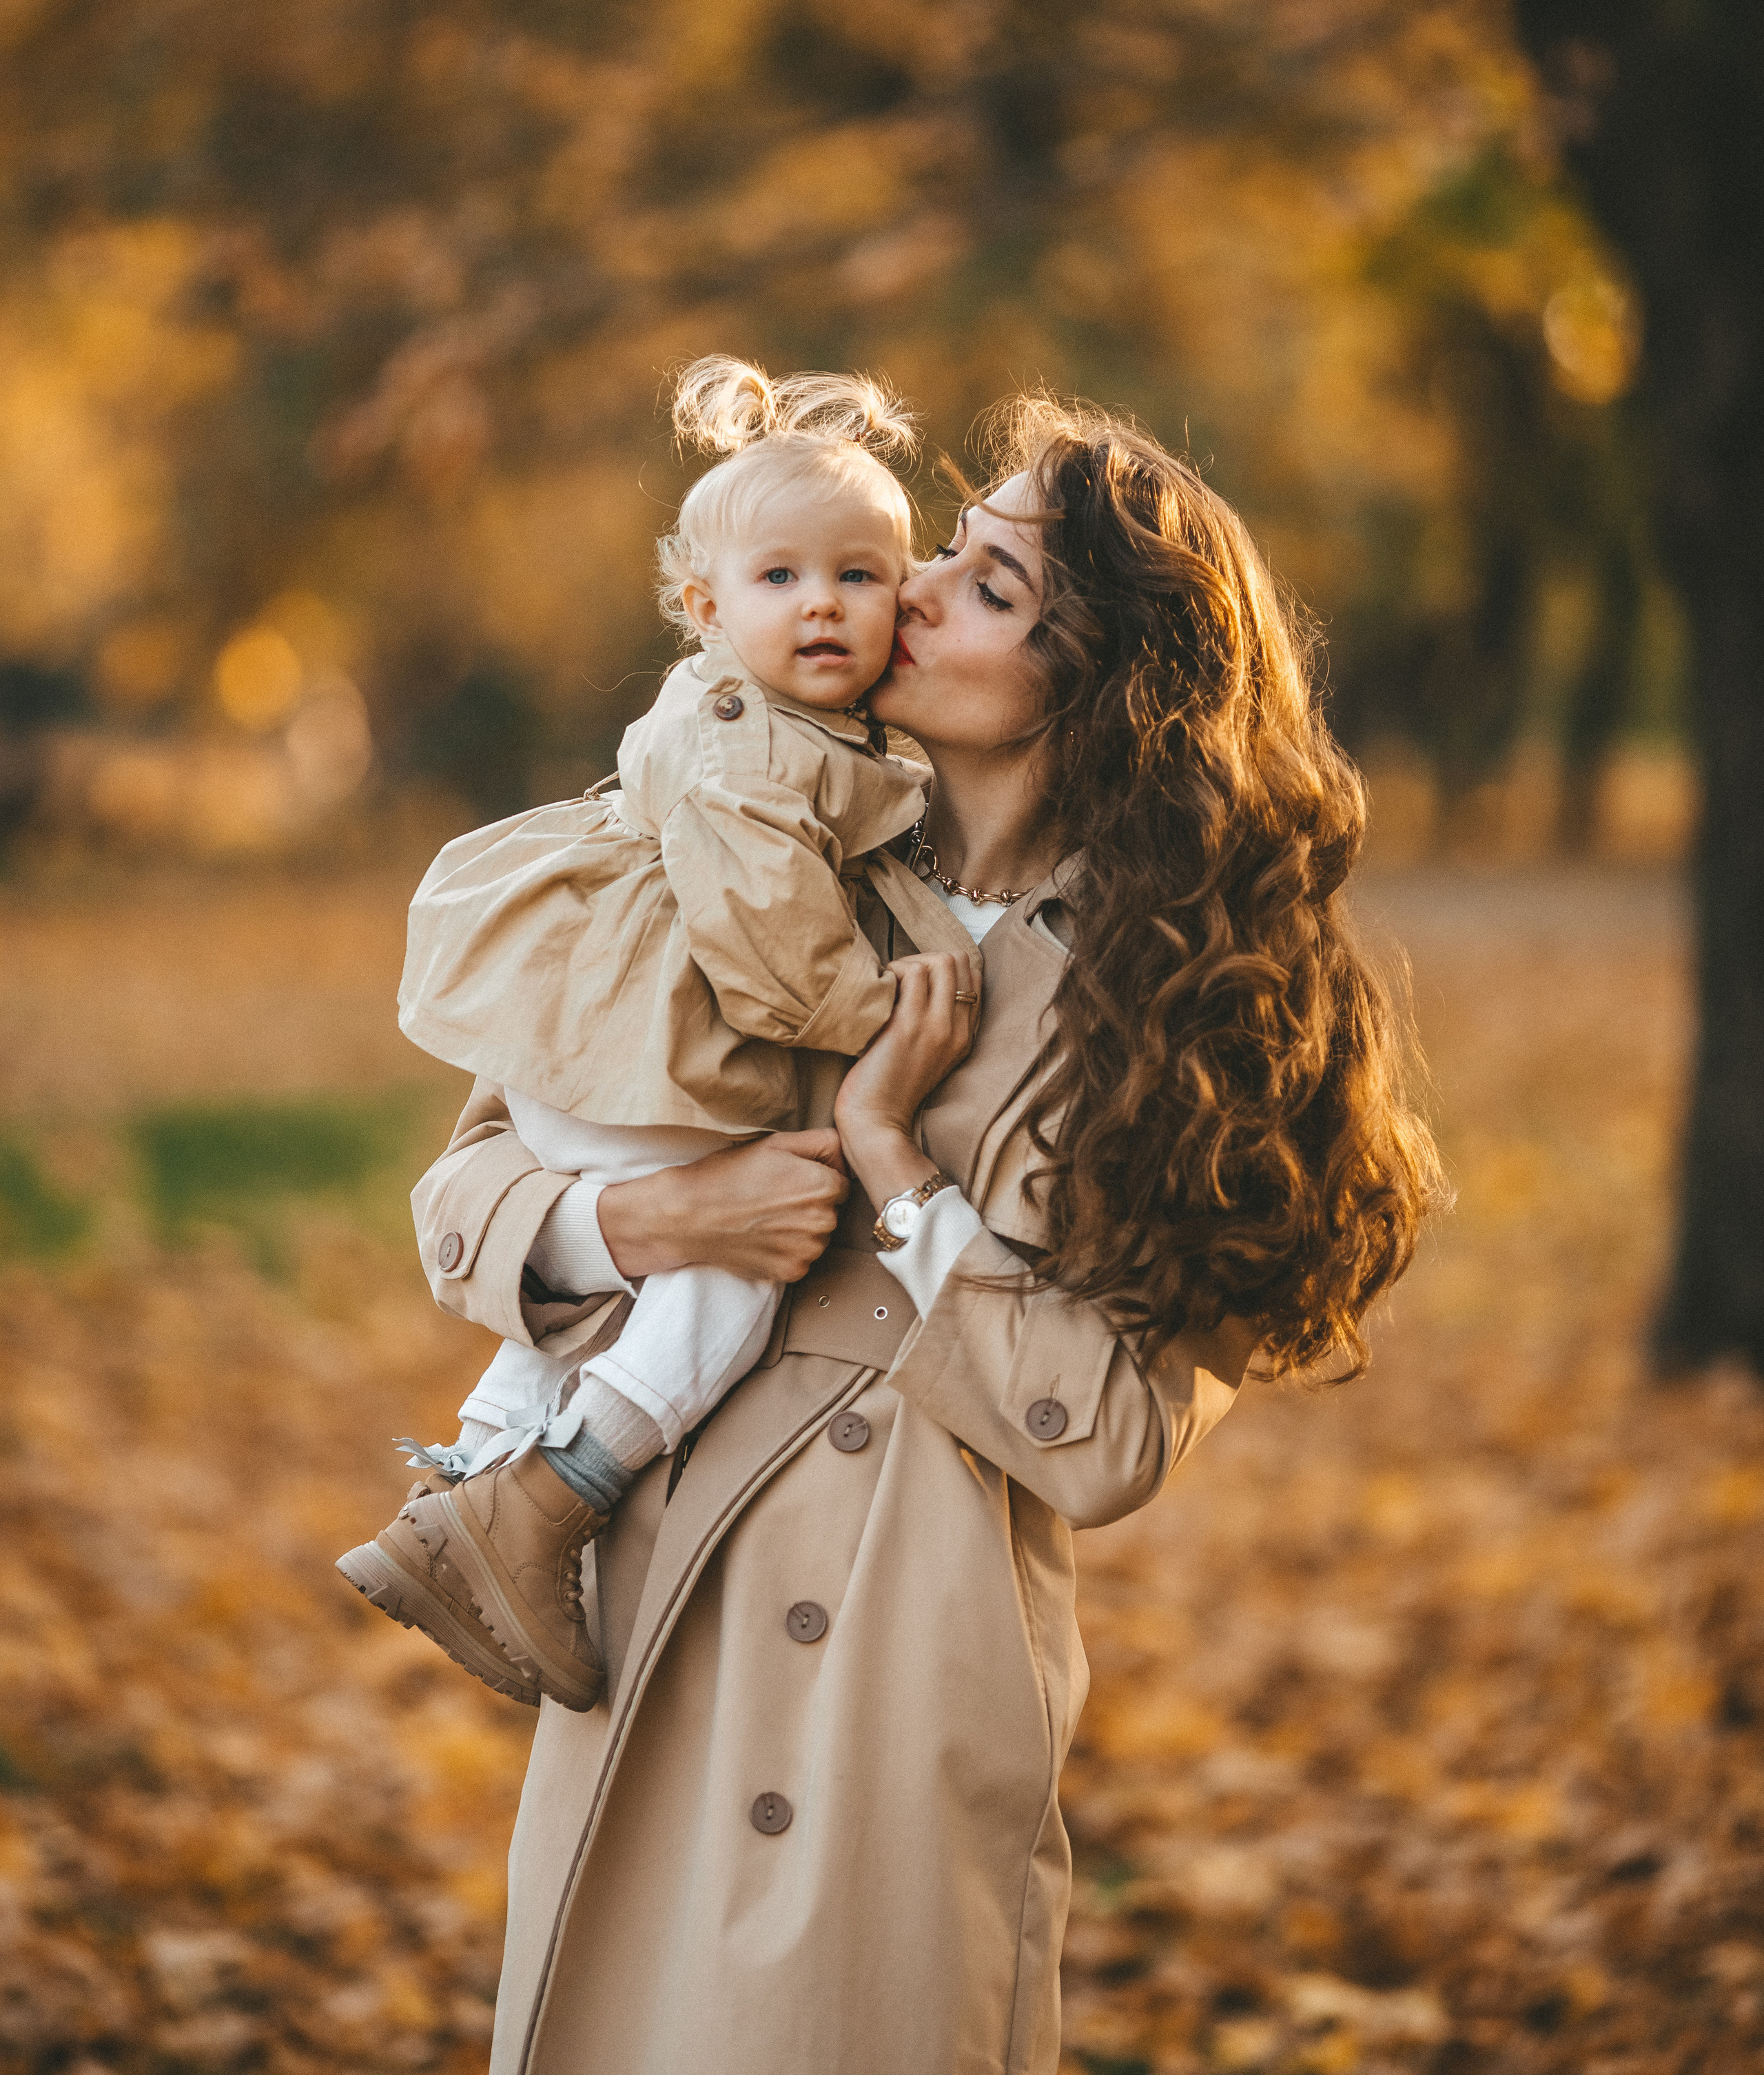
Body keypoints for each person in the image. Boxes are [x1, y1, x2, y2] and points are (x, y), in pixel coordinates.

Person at [402, 395, 1445, 2075]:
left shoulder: (1185, 1010)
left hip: (894, 1664)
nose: (913, 588)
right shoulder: (737, 829)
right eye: (944, 547)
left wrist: (893, 1167)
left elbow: (1107, 1441)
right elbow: (463, 1196)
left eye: (987, 583)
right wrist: (652, 1219)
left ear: (1099, 679)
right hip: (656, 1601)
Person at [337, 358, 955, 1714]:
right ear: (706, 609)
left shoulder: (780, 726)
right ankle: (553, 1500)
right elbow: (780, 958)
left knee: (659, 1278)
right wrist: (891, 1026)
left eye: (859, 576)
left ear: (904, 598)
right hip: (642, 1055)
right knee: (724, 1281)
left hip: (601, 1048)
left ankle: (458, 1494)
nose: (823, 604)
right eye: (781, 578)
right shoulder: (754, 749)